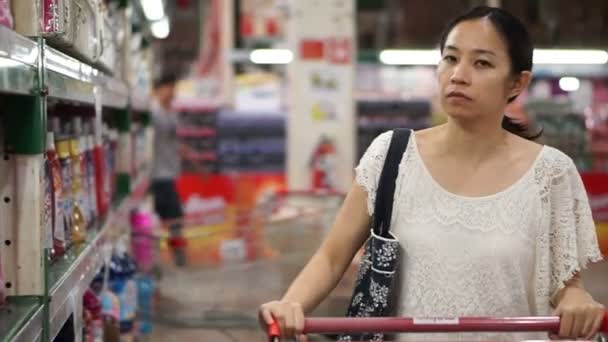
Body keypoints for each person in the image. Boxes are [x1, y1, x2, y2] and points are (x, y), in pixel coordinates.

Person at [259, 6, 605, 342]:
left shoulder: (550, 173)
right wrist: (291, 304)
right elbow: (332, 256)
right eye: (451, 58)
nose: (458, 75)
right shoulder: (391, 157)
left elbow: (567, 286)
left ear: (517, 83)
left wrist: (576, 300)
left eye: (481, 63)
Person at [151, 74, 187, 266]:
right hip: (157, 176)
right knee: (173, 220)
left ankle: (178, 259)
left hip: (169, 173)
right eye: (169, 88)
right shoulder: (153, 113)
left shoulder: (170, 113)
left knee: (174, 221)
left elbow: (174, 142)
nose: (172, 92)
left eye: (174, 88)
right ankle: (177, 260)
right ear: (159, 89)